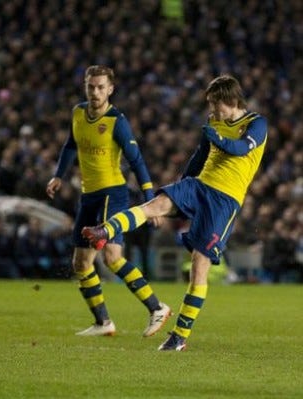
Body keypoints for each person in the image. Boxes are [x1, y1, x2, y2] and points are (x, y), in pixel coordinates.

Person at [82, 74, 268, 350]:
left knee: (199, 266)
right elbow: (200, 157)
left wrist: (216, 137)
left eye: (215, 105)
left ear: (230, 100)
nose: (212, 111)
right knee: (154, 206)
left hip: (225, 200)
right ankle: (104, 231)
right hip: (199, 185)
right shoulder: (213, 122)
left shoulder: (256, 123)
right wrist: (180, 185)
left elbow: (240, 149)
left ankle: (179, 337)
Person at [46, 65, 171, 338]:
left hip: (112, 193)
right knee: (81, 264)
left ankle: (157, 307)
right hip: (88, 195)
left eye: (101, 87)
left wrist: (150, 203)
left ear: (110, 89)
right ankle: (103, 322)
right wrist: (58, 176)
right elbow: (70, 144)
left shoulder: (117, 121)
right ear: (85, 86)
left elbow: (137, 161)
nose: (95, 92)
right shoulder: (78, 113)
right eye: (91, 86)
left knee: (113, 257)